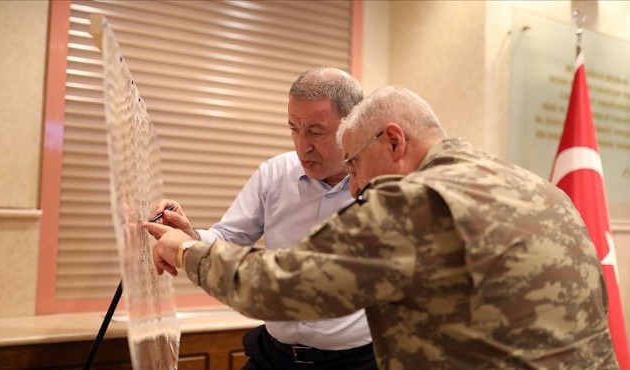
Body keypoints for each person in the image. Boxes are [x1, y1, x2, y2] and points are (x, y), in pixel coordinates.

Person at [145, 86, 618, 369]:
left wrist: (184, 251)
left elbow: (277, 285)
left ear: (393, 141)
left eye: (353, 163)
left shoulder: (417, 202)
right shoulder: (541, 190)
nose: (353, 187)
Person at [151, 67, 377, 369]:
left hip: (354, 363)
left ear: (353, 125)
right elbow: (227, 238)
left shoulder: (380, 187)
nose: (302, 145)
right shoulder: (274, 174)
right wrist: (189, 235)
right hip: (274, 357)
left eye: (315, 131)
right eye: (294, 129)